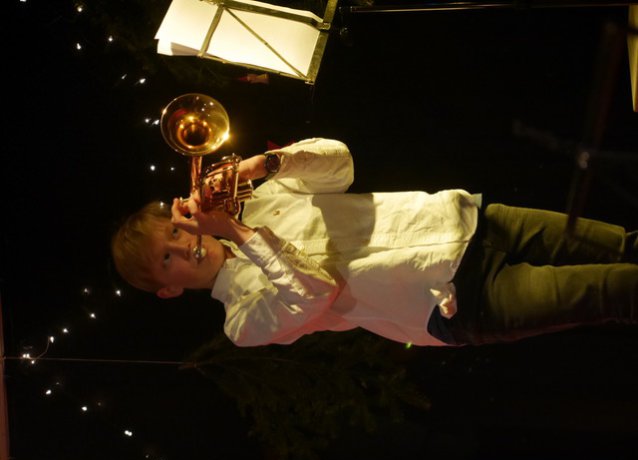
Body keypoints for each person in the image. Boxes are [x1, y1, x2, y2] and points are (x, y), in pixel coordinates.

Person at [111, 138, 638, 347]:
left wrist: (267, 164)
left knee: (625, 246)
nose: (183, 247)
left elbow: (340, 163)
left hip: (468, 219)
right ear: (168, 290)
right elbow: (314, 291)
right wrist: (236, 233)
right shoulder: (240, 321)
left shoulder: (264, 198)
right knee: (619, 291)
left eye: (173, 232)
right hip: (455, 299)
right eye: (166, 259)